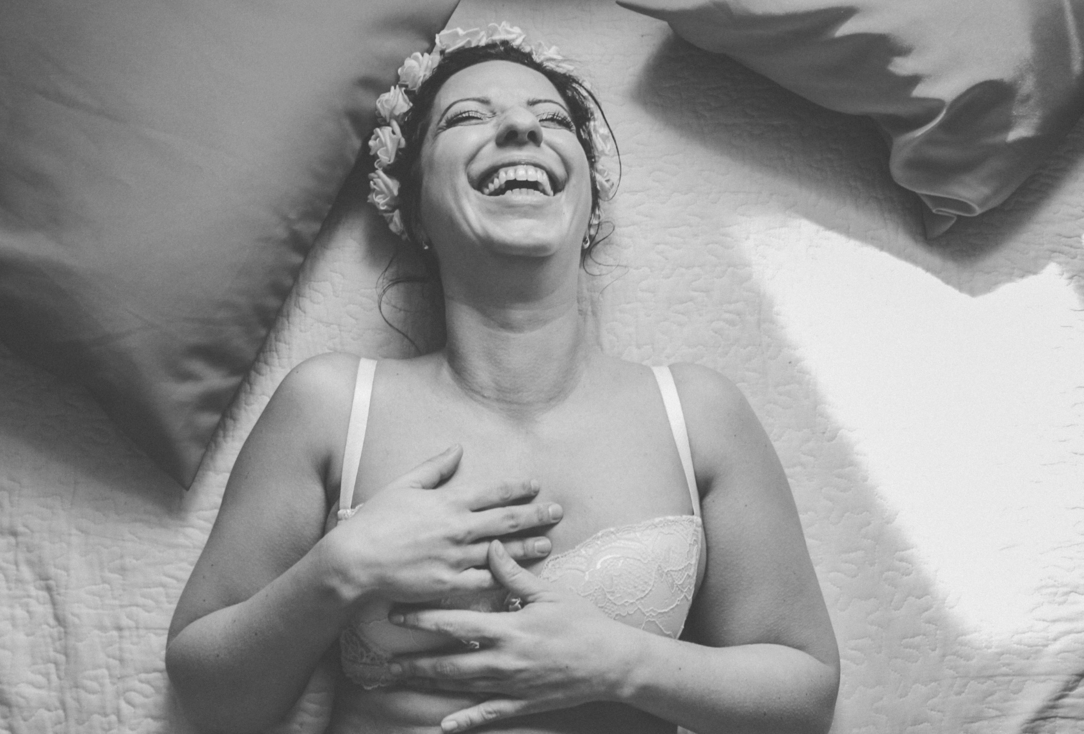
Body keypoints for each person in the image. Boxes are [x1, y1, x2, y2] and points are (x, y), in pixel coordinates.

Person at [166, 23, 839, 734]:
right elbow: (209, 699)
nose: (522, 126)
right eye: (467, 116)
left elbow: (806, 699)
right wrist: (336, 572)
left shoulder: (698, 414)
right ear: (413, 205)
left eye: (553, 119)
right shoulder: (330, 405)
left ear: (590, 205)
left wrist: (623, 664)